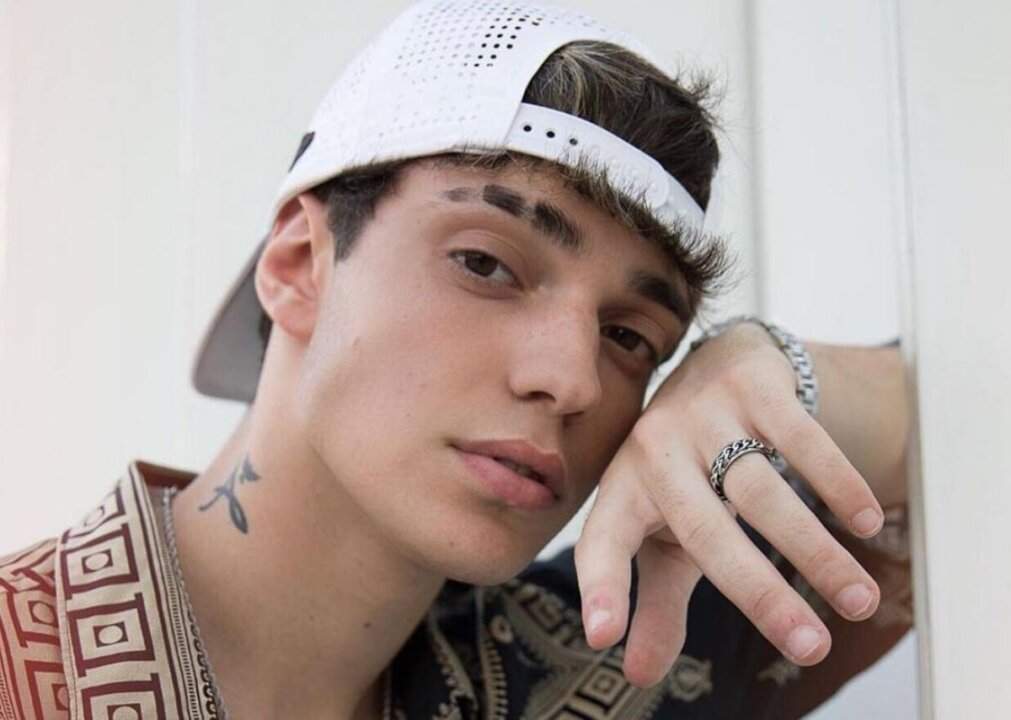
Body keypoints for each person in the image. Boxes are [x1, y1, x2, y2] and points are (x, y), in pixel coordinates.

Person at [0, 1, 913, 718]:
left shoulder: (589, 668)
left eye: (631, 336)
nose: (572, 380)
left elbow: (954, 454)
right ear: (299, 265)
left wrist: (757, 367)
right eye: (484, 264)